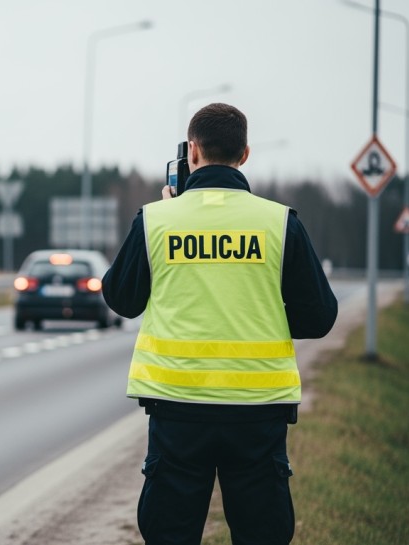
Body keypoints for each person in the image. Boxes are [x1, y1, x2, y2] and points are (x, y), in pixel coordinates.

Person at [102, 103, 337, 545]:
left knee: (169, 533)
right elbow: (320, 317)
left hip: (177, 410)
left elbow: (121, 300)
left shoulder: (155, 220)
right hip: (258, 412)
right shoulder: (279, 223)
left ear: (191, 152)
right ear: (244, 154)